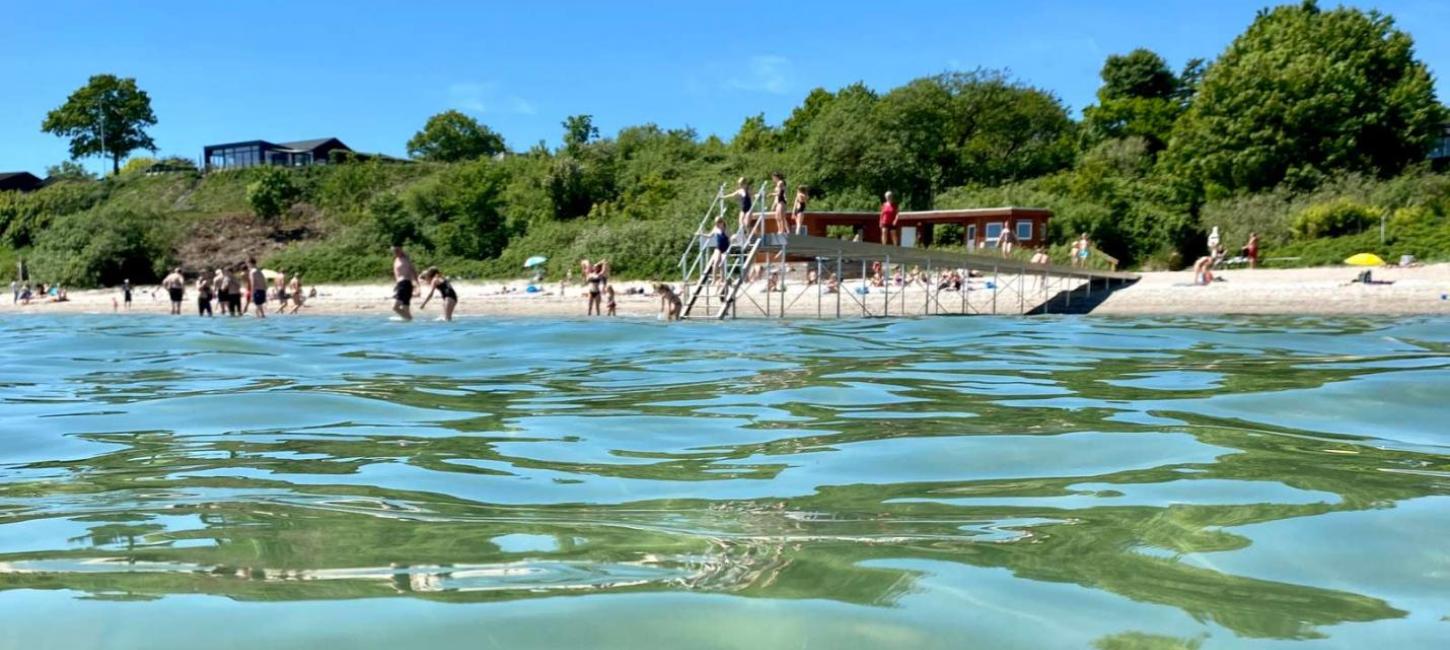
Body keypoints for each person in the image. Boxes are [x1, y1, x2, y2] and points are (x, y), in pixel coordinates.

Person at [391, 246, 419, 321]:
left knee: (395, 307)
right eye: (394, 251)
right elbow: (397, 274)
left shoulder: (405, 259)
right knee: (405, 309)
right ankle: (410, 324)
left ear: (401, 250)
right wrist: (397, 285)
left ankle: (410, 319)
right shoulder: (396, 260)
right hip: (402, 284)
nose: (395, 252)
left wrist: (417, 286)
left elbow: (413, 272)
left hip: (405, 284)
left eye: (397, 251)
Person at [706, 217, 731, 285]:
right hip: (718, 248)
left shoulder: (726, 229)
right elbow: (709, 236)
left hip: (725, 248)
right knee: (716, 262)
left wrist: (733, 239)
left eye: (718, 223)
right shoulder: (715, 228)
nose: (716, 224)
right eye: (716, 223)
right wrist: (701, 234)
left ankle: (722, 279)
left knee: (722, 264)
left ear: (722, 223)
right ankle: (714, 279)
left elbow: (730, 239)